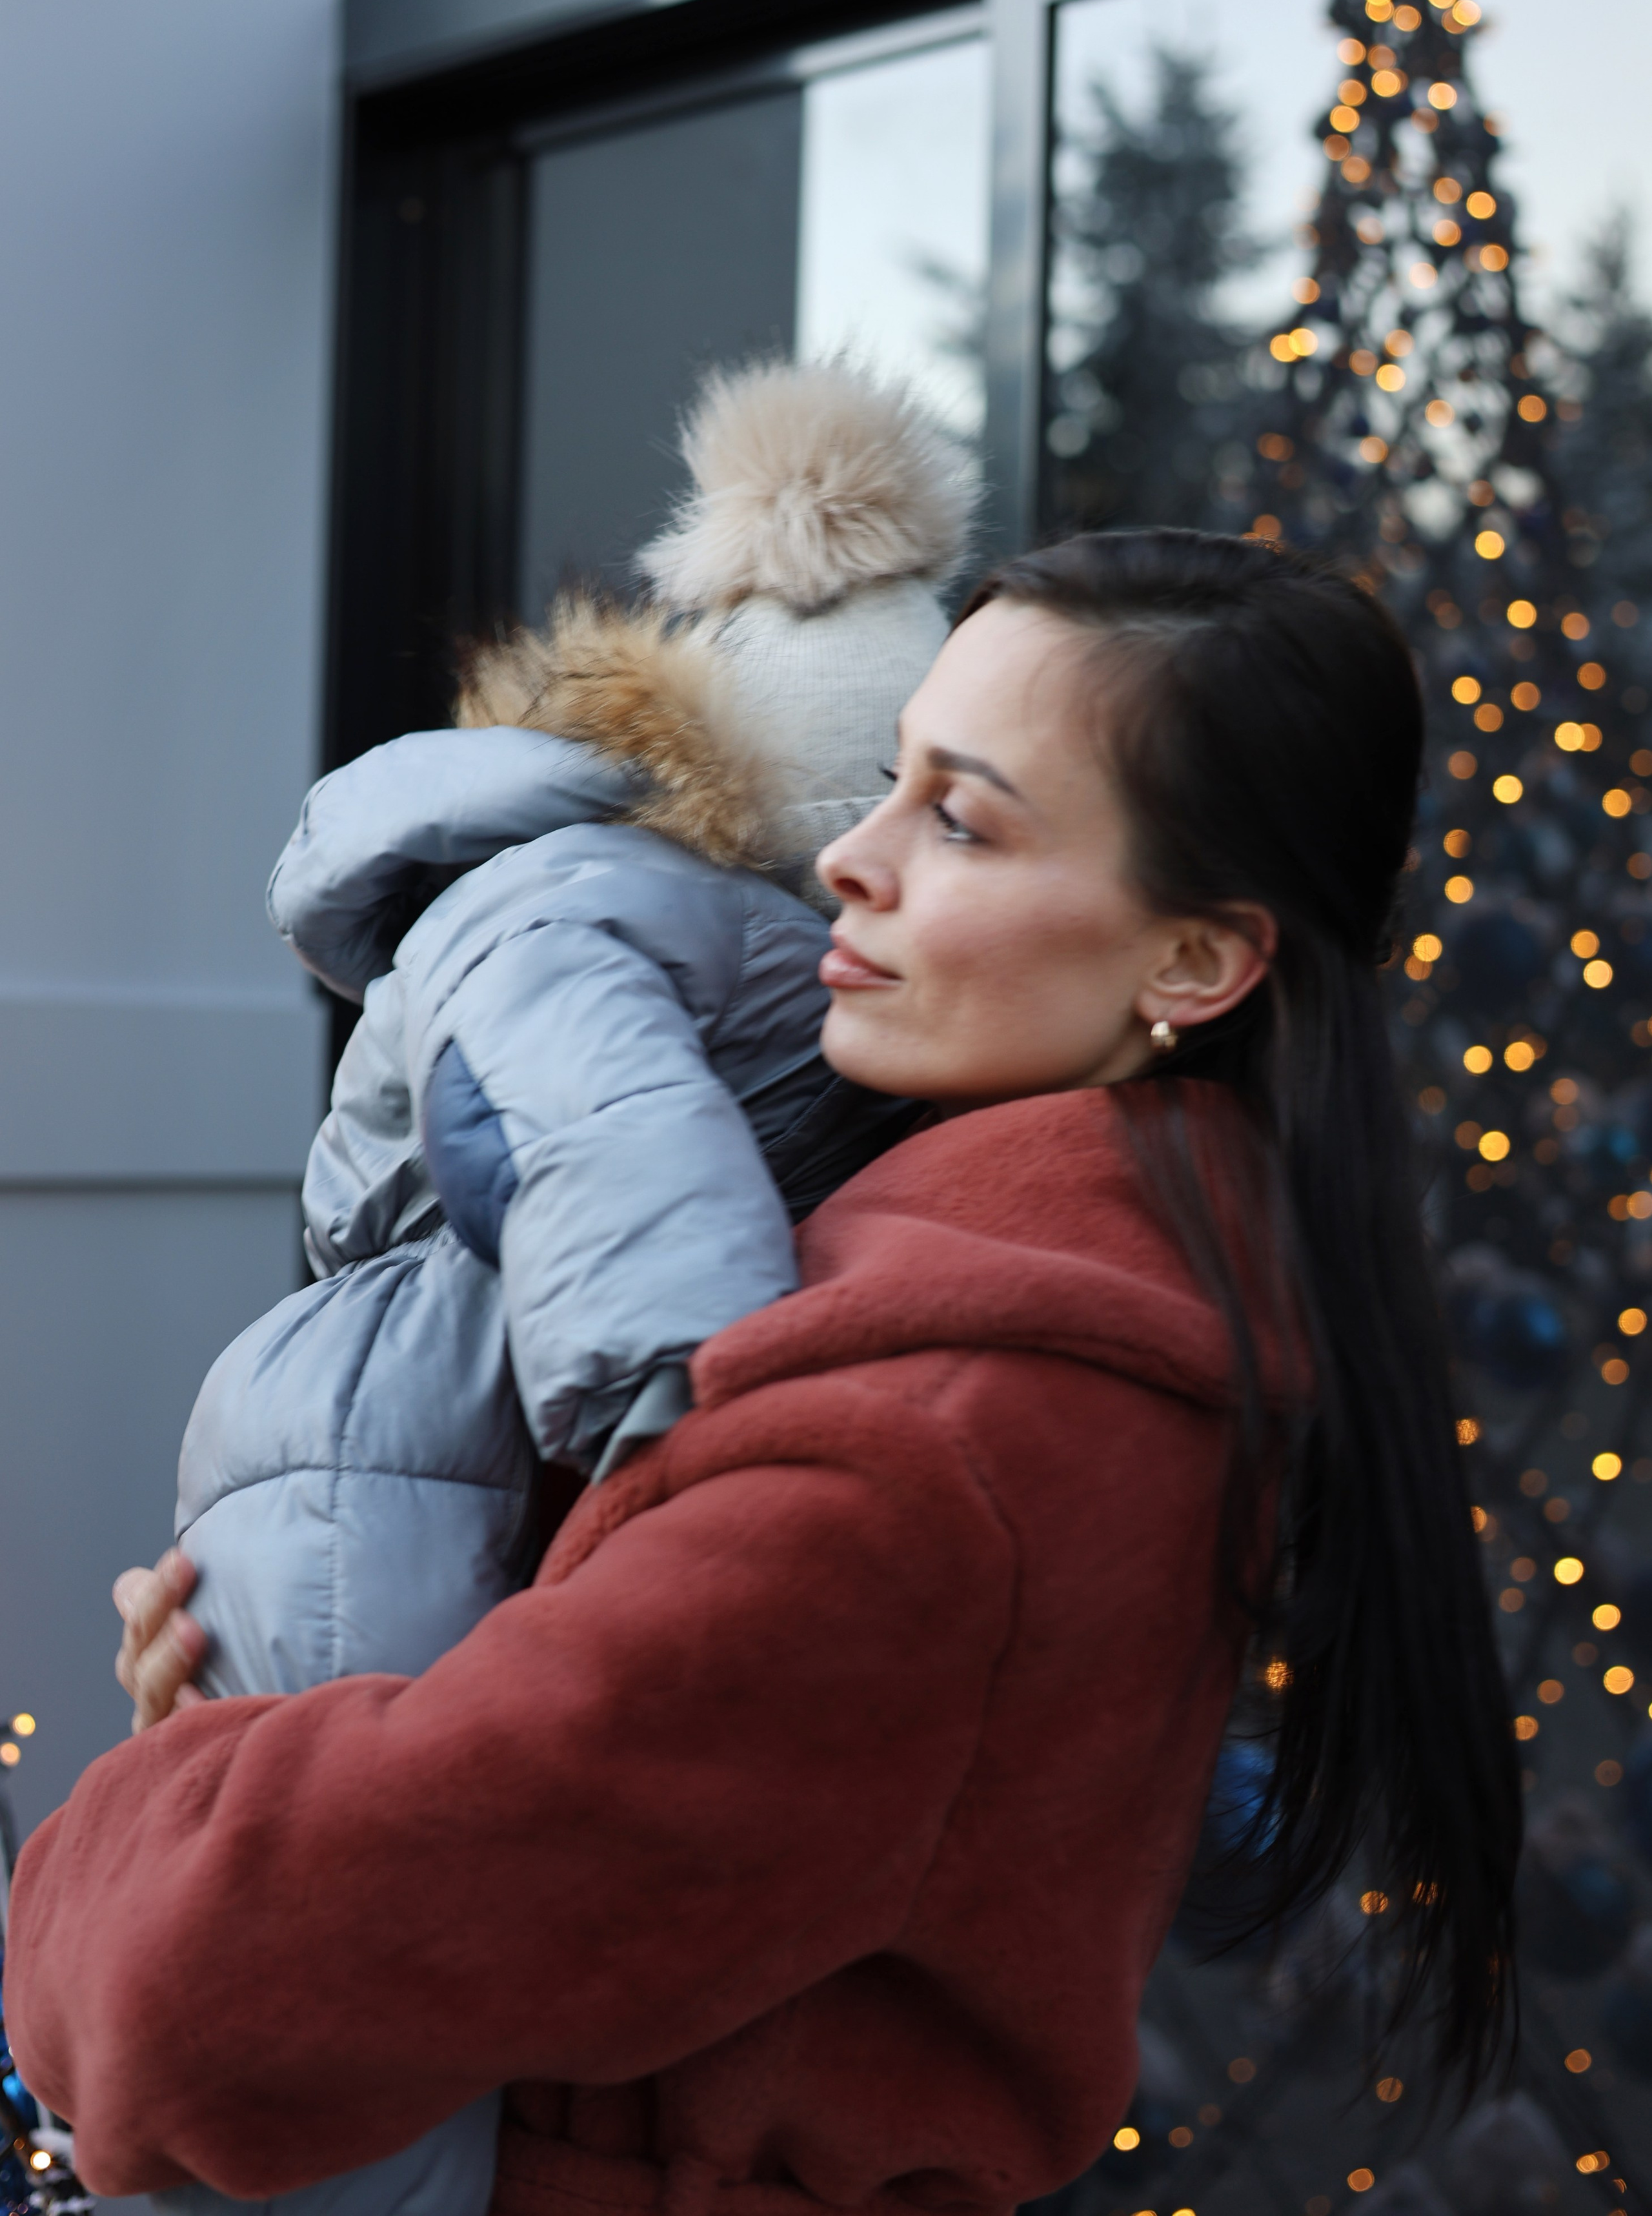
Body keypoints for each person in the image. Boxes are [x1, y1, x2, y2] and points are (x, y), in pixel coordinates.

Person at [7, 529, 1520, 2216]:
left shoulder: (933, 1439)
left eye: (964, 817)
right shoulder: (1001, 1319)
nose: (851, 861)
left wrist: (167, 1788)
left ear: (1196, 962)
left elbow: (209, 1995)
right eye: (889, 781)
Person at [145, 357, 971, 2216]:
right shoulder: (591, 904)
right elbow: (607, 1136)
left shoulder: (647, 908)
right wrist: (690, 1405)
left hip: (385, 1406)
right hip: (390, 1435)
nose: (887, 876)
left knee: (337, 1919)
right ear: (799, 803)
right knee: (351, 1982)